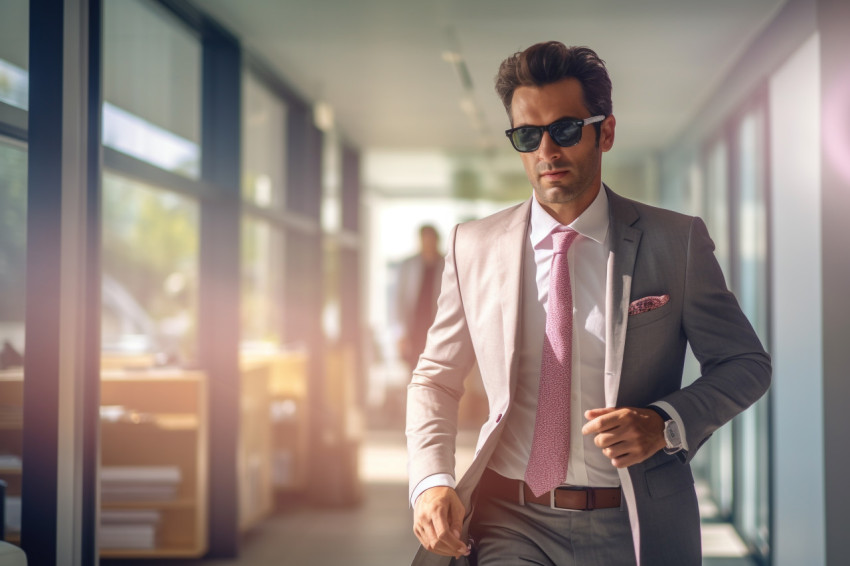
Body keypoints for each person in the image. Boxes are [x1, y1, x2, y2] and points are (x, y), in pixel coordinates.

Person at [406, 42, 770, 566]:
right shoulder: (473, 246)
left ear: (607, 132)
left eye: (566, 130)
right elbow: (436, 376)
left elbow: (745, 364)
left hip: (632, 519)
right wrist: (432, 481)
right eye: (528, 135)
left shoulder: (677, 242)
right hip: (509, 519)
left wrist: (664, 422)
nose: (547, 151)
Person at [395, 225, 445, 370]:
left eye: (431, 240)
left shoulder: (446, 264)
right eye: (425, 240)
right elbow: (399, 299)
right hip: (414, 327)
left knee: (435, 366)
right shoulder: (408, 265)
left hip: (435, 324)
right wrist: (400, 333)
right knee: (413, 367)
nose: (428, 244)